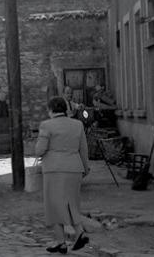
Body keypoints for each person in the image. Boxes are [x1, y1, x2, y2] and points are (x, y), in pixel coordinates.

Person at [35, 96, 90, 254]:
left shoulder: (46, 125)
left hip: (54, 169)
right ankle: (79, 233)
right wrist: (85, 168)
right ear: (65, 109)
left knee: (53, 206)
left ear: (51, 110)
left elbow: (40, 150)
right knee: (71, 203)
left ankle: (61, 242)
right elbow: (83, 149)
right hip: (74, 168)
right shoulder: (78, 125)